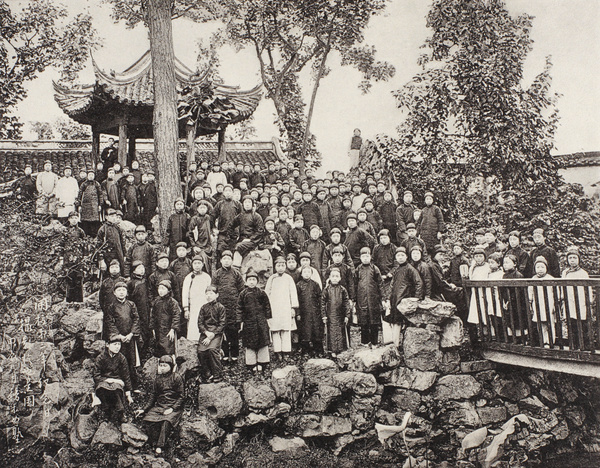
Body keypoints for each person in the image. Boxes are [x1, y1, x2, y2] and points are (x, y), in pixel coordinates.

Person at [136, 355, 184, 456]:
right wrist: (144, 410)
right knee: (148, 419)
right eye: (161, 365)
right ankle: (152, 442)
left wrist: (172, 408)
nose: (162, 367)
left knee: (166, 421)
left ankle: (159, 446)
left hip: (173, 406)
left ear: (171, 366)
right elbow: (153, 397)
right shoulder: (157, 379)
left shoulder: (177, 378)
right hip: (160, 406)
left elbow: (181, 396)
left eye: (165, 365)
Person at [106, 281, 141, 390]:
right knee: (120, 360)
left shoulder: (131, 304)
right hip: (119, 339)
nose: (121, 293)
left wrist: (131, 334)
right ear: (114, 293)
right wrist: (119, 336)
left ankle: (134, 386)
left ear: (127, 293)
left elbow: (136, 319)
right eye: (119, 290)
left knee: (131, 361)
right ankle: (121, 386)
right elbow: (110, 322)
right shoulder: (111, 307)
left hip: (130, 338)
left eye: (123, 290)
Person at [212, 250, 245, 364]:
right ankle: (225, 355)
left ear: (232, 260)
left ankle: (235, 355)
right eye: (224, 259)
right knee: (222, 331)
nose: (226, 261)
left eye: (229, 259)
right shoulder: (217, 274)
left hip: (234, 307)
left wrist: (240, 305)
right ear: (221, 260)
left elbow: (242, 291)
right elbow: (213, 290)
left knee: (234, 332)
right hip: (221, 307)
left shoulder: (236, 274)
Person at [92, 336, 133, 424]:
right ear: (107, 345)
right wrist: (108, 380)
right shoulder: (100, 358)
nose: (117, 347)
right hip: (103, 381)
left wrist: (128, 393)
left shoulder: (122, 358)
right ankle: (106, 411)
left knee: (116, 390)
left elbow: (126, 375)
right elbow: (96, 375)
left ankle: (121, 412)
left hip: (117, 381)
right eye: (115, 344)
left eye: (119, 344)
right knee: (102, 389)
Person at [387, 246, 423, 346]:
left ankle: (402, 345)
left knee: (403, 323)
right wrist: (388, 298)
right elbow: (392, 284)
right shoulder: (397, 269)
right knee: (395, 322)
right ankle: (396, 344)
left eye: (402, 255)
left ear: (407, 256)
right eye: (398, 255)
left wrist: (416, 298)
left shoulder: (410, 269)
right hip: (395, 300)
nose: (400, 257)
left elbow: (418, 283)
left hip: (404, 300)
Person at [237, 270, 272, 374]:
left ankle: (262, 363)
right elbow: (239, 308)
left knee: (262, 342)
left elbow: (267, 306)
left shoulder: (261, 293)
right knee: (250, 343)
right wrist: (240, 321)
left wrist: (268, 318)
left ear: (257, 281)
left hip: (261, 322)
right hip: (249, 322)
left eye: (253, 279)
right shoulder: (243, 294)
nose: (251, 282)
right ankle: (251, 364)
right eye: (249, 280)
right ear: (246, 281)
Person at [265, 257, 299, 360]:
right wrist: (267, 309)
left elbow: (293, 293)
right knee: (275, 330)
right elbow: (266, 294)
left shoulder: (288, 278)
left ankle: (286, 351)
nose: (280, 268)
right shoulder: (272, 278)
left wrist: (293, 308)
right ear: (275, 267)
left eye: (283, 265)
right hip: (274, 309)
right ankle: (278, 352)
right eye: (278, 266)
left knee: (286, 330)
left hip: (286, 308)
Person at [561, 246, 591, 349]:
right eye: (570, 258)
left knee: (581, 323)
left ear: (578, 259)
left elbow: (588, 288)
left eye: (574, 258)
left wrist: (588, 301)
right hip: (569, 300)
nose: (572, 260)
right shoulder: (565, 272)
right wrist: (562, 297)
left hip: (580, 301)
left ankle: (584, 346)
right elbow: (562, 286)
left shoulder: (583, 273)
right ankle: (573, 345)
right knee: (571, 322)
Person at [197, 285, 226, 382]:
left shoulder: (221, 307)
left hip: (216, 333)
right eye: (207, 294)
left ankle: (217, 374)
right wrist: (205, 332)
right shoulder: (203, 308)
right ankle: (207, 374)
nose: (208, 296)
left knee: (212, 350)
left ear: (217, 295)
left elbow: (222, 324)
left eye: (211, 294)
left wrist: (212, 334)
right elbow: (200, 323)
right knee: (201, 351)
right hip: (205, 333)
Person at [355, 247, 383, 346]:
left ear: (370, 257)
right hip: (362, 299)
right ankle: (365, 341)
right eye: (363, 256)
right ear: (360, 258)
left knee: (374, 321)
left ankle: (374, 342)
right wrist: (354, 299)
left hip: (373, 300)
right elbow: (355, 284)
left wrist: (382, 298)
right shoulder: (358, 269)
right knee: (363, 321)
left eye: (367, 256)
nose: (365, 258)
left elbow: (380, 284)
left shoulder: (375, 269)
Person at [226, 196, 265, 268]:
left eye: (249, 202)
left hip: (253, 241)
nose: (247, 204)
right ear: (243, 204)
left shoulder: (256, 216)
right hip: (242, 239)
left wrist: (251, 239)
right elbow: (230, 226)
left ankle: (236, 266)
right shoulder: (240, 216)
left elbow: (260, 231)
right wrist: (234, 237)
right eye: (245, 202)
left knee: (238, 247)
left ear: (252, 204)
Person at [321, 267, 352, 356]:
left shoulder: (343, 289)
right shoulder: (326, 289)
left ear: (340, 278)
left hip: (340, 315)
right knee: (332, 332)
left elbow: (346, 303)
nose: (335, 278)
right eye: (333, 276)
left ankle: (341, 349)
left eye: (337, 276)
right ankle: (333, 350)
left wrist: (347, 315)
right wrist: (324, 315)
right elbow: (322, 303)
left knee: (341, 331)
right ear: (329, 278)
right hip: (330, 315)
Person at [181, 255, 211, 341]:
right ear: (192, 265)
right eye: (195, 263)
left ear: (202, 264)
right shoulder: (188, 277)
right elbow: (185, 293)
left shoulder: (207, 277)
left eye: (199, 263)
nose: (197, 265)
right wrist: (186, 308)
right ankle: (192, 342)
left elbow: (210, 292)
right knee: (193, 324)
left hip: (204, 305)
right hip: (193, 306)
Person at [528, 256, 556, 346]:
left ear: (546, 268)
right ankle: (543, 341)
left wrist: (555, 305)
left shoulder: (551, 279)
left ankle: (551, 341)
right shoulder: (533, 279)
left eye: (542, 267)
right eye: (538, 267)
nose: (540, 269)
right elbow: (530, 292)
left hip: (549, 304)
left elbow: (556, 293)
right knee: (540, 324)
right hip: (538, 304)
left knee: (549, 323)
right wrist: (530, 302)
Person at [296, 266, 323, 355]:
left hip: (315, 312)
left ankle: (318, 350)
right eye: (304, 272)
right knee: (305, 331)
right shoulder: (298, 285)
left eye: (308, 272)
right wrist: (298, 313)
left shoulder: (315, 285)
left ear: (311, 274)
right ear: (301, 274)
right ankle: (306, 350)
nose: (306, 274)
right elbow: (296, 300)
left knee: (316, 330)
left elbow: (320, 298)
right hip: (304, 313)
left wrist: (321, 311)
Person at [127, 261, 153, 355]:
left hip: (146, 309)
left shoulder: (146, 281)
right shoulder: (131, 283)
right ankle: (139, 353)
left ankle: (146, 350)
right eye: (139, 269)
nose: (142, 270)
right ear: (134, 271)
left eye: (143, 268)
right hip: (136, 310)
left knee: (146, 328)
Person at [152, 280, 181, 357]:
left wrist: (172, 329)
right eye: (159, 288)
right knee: (159, 349)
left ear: (168, 290)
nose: (160, 291)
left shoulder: (172, 302)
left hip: (168, 330)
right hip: (158, 330)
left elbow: (176, 316)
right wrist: (153, 329)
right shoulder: (156, 301)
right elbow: (152, 315)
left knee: (169, 349)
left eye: (163, 289)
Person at [63, 211, 86, 302]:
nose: (74, 220)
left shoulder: (81, 231)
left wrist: (84, 256)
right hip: (68, 258)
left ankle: (79, 300)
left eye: (76, 218)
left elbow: (85, 245)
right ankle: (69, 300)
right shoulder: (65, 231)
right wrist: (62, 258)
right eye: (72, 218)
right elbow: (61, 245)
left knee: (78, 278)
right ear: (69, 219)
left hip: (78, 258)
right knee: (69, 277)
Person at [99, 259, 126, 340]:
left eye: (116, 267)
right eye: (112, 267)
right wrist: (105, 309)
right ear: (109, 269)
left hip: (122, 311)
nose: (114, 269)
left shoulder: (123, 281)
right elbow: (101, 298)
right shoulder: (105, 282)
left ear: (119, 268)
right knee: (109, 333)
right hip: (108, 312)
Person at [467, 247, 492, 330]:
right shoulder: (472, 267)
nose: (478, 258)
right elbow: (471, 277)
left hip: (485, 291)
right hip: (475, 291)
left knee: (486, 309)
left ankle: (489, 329)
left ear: (484, 257)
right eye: (476, 256)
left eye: (480, 256)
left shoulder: (488, 266)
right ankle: (480, 328)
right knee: (476, 310)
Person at [97, 207, 126, 272]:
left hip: (118, 255)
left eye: (115, 216)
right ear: (106, 217)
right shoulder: (102, 229)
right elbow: (99, 246)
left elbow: (122, 243)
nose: (114, 218)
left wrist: (124, 255)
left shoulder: (118, 228)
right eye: (111, 216)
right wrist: (101, 260)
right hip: (107, 256)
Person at [416, 191, 445, 256]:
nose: (428, 200)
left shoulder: (436, 209)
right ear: (425, 200)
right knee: (425, 249)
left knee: (434, 250)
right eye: (427, 199)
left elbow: (441, 220)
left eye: (430, 199)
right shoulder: (423, 210)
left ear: (432, 200)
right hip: (424, 234)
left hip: (433, 233)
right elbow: (419, 223)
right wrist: (417, 233)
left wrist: (440, 231)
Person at [78, 170, 103, 236]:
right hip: (85, 206)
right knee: (85, 222)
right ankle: (86, 236)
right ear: (87, 176)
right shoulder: (84, 184)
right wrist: (79, 205)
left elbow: (100, 194)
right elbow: (80, 195)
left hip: (94, 205)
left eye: (92, 175)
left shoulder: (97, 184)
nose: (91, 176)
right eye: (89, 175)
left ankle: (94, 236)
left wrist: (100, 205)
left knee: (94, 222)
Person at [164, 197, 190, 262]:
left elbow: (189, 230)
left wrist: (189, 243)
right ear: (175, 206)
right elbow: (168, 231)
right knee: (173, 259)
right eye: (177, 204)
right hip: (173, 243)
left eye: (181, 204)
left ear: (184, 206)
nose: (179, 206)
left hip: (184, 241)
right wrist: (166, 244)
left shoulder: (187, 216)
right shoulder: (172, 217)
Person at [170, 242, 194, 310]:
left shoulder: (190, 262)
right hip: (177, 288)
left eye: (183, 250)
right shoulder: (173, 264)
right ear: (176, 252)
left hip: (188, 287)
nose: (181, 252)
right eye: (179, 250)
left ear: (186, 251)